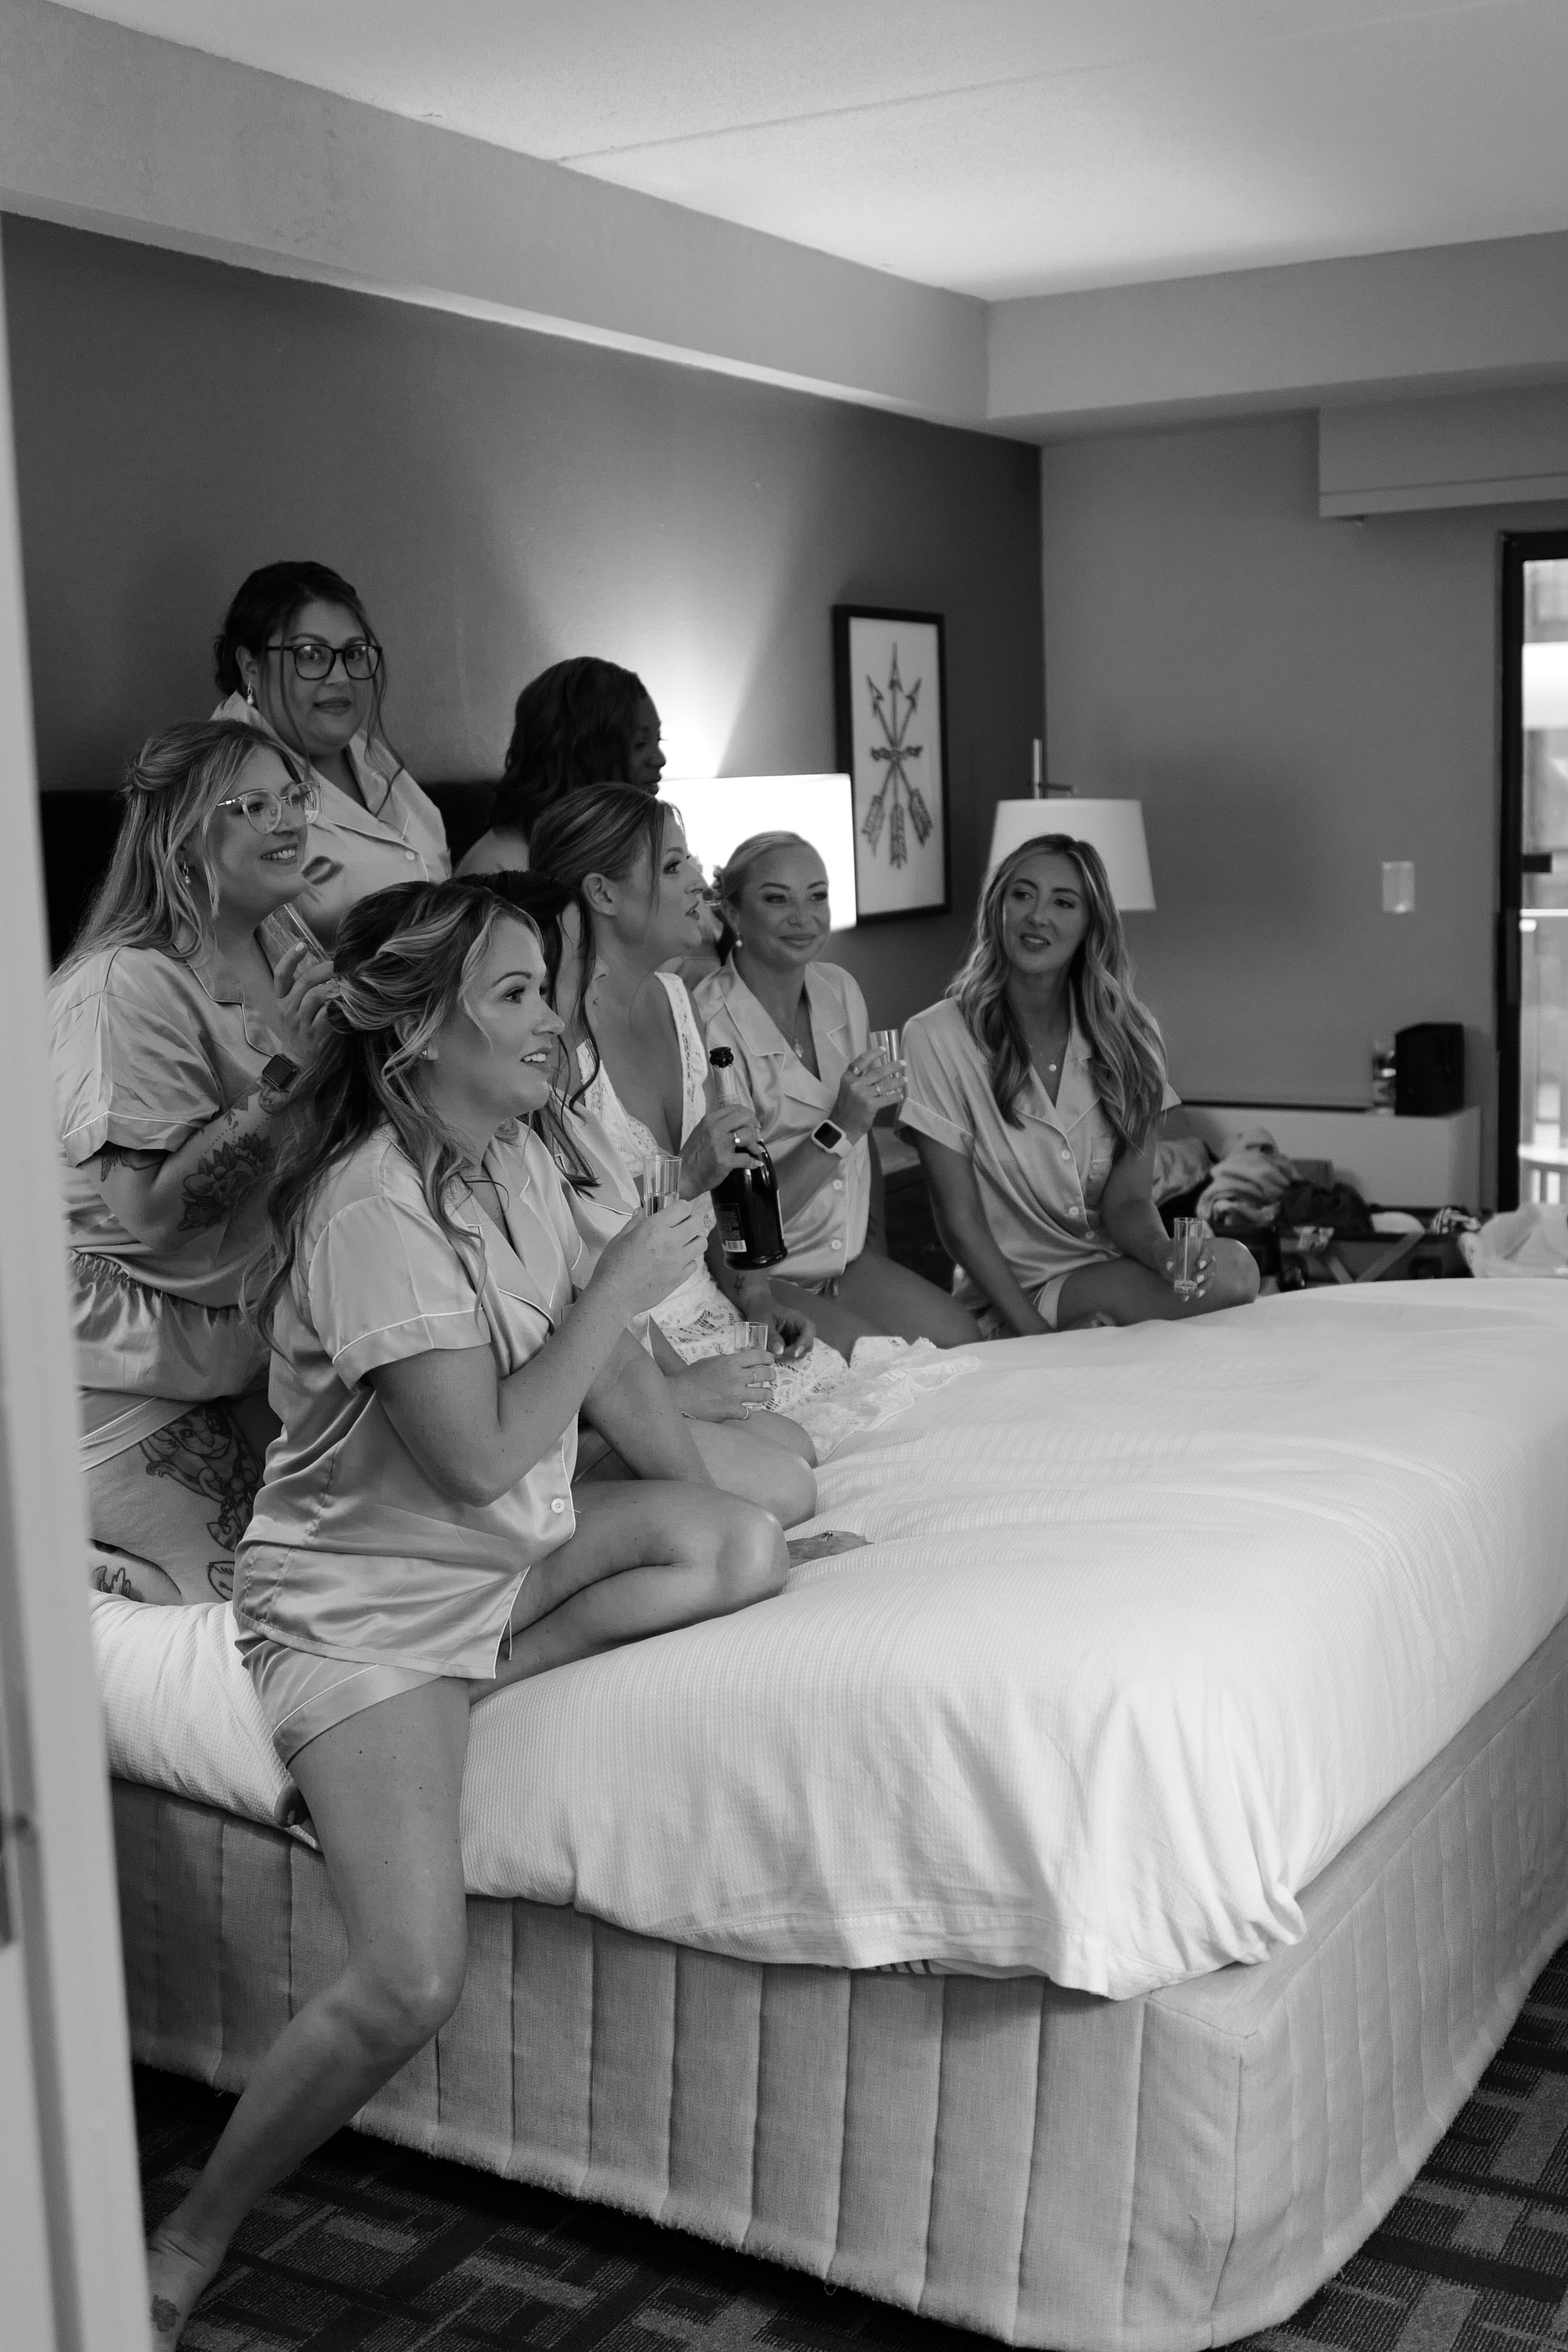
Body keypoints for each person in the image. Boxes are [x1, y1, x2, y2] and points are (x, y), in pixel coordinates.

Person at [145, 879, 787, 2346]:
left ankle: (479, 1683)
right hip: (363, 1613)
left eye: (540, 987)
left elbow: (603, 1377)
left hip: (487, 1574)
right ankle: (190, 2232)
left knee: (742, 1545)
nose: (550, 1018)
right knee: (411, 1978)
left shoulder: (506, 1161)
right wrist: (617, 1287)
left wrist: (660, 1409)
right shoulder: (369, 1207)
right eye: (512, 994)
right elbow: (481, 1455)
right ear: (419, 1033)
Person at [49, 719, 336, 1603]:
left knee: (352, 1562)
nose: (288, 819)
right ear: (181, 840)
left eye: (294, 796)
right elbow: (155, 1214)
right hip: (111, 1368)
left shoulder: (285, 942)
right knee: (263, 1600)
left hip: (239, 1347)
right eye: (253, 804)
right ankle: (74, 1565)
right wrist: (290, 1076)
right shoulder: (121, 988)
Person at [524, 792, 830, 1508]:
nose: (698, 878)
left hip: (708, 1306)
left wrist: (753, 1291)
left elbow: (720, 1200)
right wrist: (688, 1172)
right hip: (628, 1339)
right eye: (672, 865)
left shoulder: (673, 997)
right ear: (602, 894)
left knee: (815, 1441)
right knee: (793, 1473)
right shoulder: (548, 1047)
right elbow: (568, 1254)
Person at [901, 834, 1260, 1334]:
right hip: (1012, 1294)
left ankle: (1099, 1326)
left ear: (1091, 924)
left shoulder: (1131, 1034)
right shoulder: (935, 1036)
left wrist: (1162, 1253)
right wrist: (1037, 1335)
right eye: (1022, 895)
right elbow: (960, 1223)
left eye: (1063, 903)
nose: (1038, 917)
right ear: (997, 908)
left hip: (1104, 1273)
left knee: (1237, 1269)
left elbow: (1128, 1202)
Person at [694, 834, 980, 1355]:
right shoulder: (708, 1024)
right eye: (777, 899)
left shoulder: (840, 990)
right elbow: (734, 1216)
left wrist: (873, 1248)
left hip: (843, 1260)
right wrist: (839, 1128)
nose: (803, 917)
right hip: (758, 1273)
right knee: (888, 1365)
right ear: (733, 914)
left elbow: (865, 1140)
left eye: (817, 896)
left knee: (964, 1340)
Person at [213, 559, 449, 942]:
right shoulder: (226, 780)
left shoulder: (364, 750)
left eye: (354, 653)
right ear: (250, 666)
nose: (340, 677)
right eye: (310, 654)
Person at [457, 655, 664, 876]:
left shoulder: (614, 846)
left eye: (659, 739)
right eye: (640, 743)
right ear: (579, 753)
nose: (660, 759)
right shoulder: (502, 872)